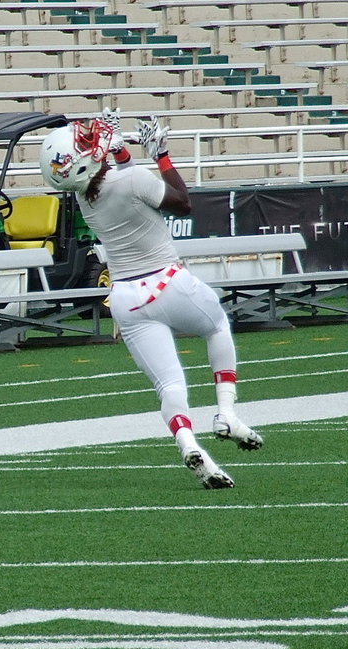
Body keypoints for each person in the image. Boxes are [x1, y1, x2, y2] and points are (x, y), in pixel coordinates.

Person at [39, 110, 263, 489]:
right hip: (167, 282)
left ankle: (189, 443)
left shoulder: (84, 199)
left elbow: (120, 179)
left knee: (169, 385)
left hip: (127, 299)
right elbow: (181, 202)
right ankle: (226, 412)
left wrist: (120, 150)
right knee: (218, 326)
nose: (93, 141)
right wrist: (160, 154)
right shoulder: (129, 181)